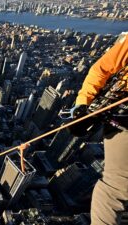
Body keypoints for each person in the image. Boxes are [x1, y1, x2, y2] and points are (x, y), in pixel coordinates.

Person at [71, 32, 128, 225]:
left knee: (113, 189)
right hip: (124, 122)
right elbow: (101, 69)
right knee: (114, 188)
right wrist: (82, 106)